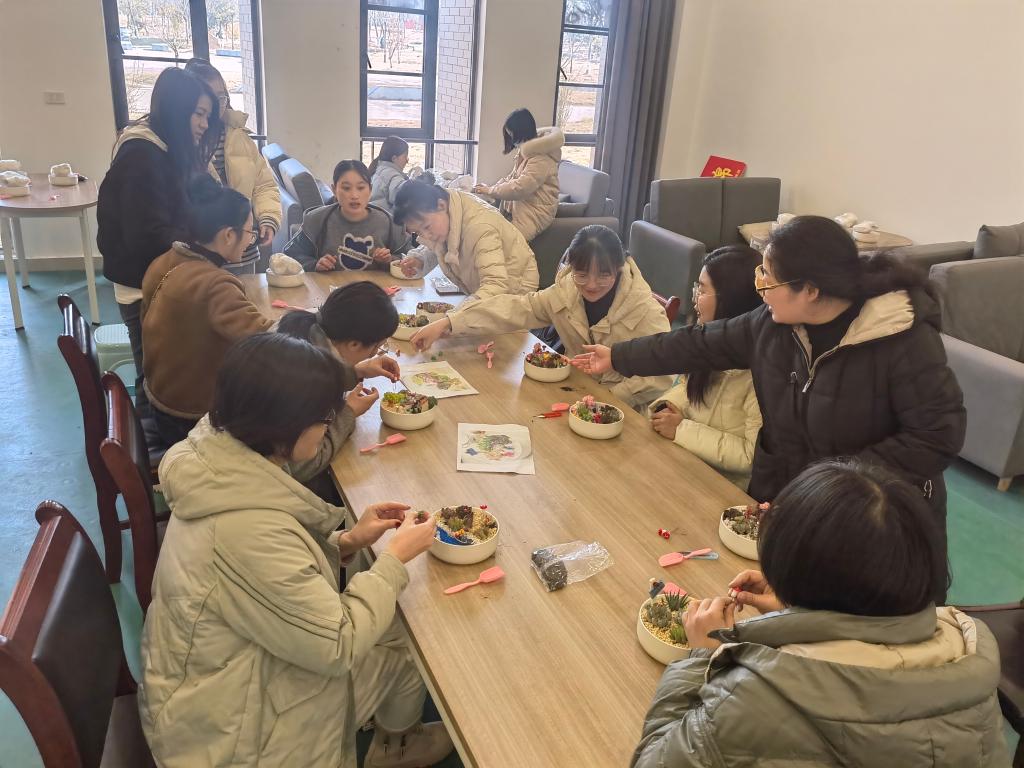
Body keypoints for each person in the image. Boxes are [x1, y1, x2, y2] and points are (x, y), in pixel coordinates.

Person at [139, 333, 455, 768]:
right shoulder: (244, 533)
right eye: (324, 418)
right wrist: (393, 560)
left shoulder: (218, 462)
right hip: (235, 740)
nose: (329, 426)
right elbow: (338, 644)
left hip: (222, 687)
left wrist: (347, 541)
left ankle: (395, 742)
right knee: (408, 633)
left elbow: (273, 579)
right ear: (285, 425)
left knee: (394, 619)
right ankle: (397, 748)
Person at [574, 216, 965, 530]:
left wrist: (834, 486)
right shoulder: (774, 323)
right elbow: (698, 343)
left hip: (874, 518)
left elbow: (936, 436)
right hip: (793, 498)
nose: (759, 288)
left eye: (768, 278)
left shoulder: (901, 337)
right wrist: (619, 356)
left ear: (810, 290)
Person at [632, 459, 1009, 767]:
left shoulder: (756, 697)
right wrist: (799, 610)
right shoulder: (965, 648)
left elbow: (653, 760)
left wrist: (703, 655)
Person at [410, 225, 672, 409]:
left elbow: (661, 375)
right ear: (571, 268)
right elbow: (515, 309)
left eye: (603, 275)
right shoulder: (566, 291)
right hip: (578, 394)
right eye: (582, 275)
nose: (592, 285)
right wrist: (450, 322)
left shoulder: (645, 310)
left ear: (619, 267)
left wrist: (609, 399)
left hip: (622, 410)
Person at [97, 66, 221, 411]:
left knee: (158, 376)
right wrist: (206, 244)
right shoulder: (142, 155)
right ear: (177, 110)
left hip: (158, 282)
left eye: (207, 116)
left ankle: (151, 431)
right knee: (156, 379)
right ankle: (148, 440)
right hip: (144, 289)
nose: (204, 124)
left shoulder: (164, 149)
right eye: (198, 114)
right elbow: (149, 237)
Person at [140, 176, 272, 446]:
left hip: (161, 400)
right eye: (250, 232)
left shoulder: (163, 261)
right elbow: (269, 341)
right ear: (228, 235)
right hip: (192, 419)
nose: (251, 241)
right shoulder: (216, 285)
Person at [648, 246, 764, 489]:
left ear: (729, 300)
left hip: (721, 487)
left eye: (701, 290)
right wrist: (669, 405)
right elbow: (686, 385)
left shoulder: (761, 371)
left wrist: (681, 429)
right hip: (683, 463)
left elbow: (749, 456)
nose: (694, 298)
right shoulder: (706, 340)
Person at [277, 282, 401, 498]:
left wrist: (355, 372)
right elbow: (302, 465)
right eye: (376, 347)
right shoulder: (308, 378)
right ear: (353, 344)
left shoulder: (302, 329)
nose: (375, 353)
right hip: (282, 488)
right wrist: (348, 413)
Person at [184, 57, 281, 262]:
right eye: (211, 97)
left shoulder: (239, 135)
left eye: (222, 97)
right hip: (205, 253)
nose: (218, 105)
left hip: (243, 248)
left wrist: (268, 218)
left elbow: (264, 185)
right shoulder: (188, 139)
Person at [394, 180, 540, 300]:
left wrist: (457, 317)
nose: (426, 236)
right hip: (487, 290)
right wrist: (420, 260)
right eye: (418, 232)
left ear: (441, 205)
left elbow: (496, 285)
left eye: (426, 227)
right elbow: (442, 245)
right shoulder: (447, 210)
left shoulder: (479, 227)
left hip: (515, 291)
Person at [284, 160, 409, 273]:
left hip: (376, 289)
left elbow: (410, 258)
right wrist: (314, 265)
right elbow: (290, 255)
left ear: (370, 190)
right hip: (330, 289)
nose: (354, 195)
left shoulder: (389, 222)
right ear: (334, 190)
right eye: (346, 188)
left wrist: (389, 260)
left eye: (361, 188)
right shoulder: (317, 219)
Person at [473, 108, 563, 241]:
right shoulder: (527, 152)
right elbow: (512, 178)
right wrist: (490, 189)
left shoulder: (541, 159)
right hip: (523, 206)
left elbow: (520, 188)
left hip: (535, 212)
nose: (511, 139)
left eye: (511, 135)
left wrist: (490, 190)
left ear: (521, 132)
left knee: (510, 245)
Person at [368, 136, 410, 213]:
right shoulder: (391, 174)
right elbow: (402, 193)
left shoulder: (378, 169)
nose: (407, 161)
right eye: (405, 156)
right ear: (394, 158)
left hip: (375, 215)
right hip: (384, 218)